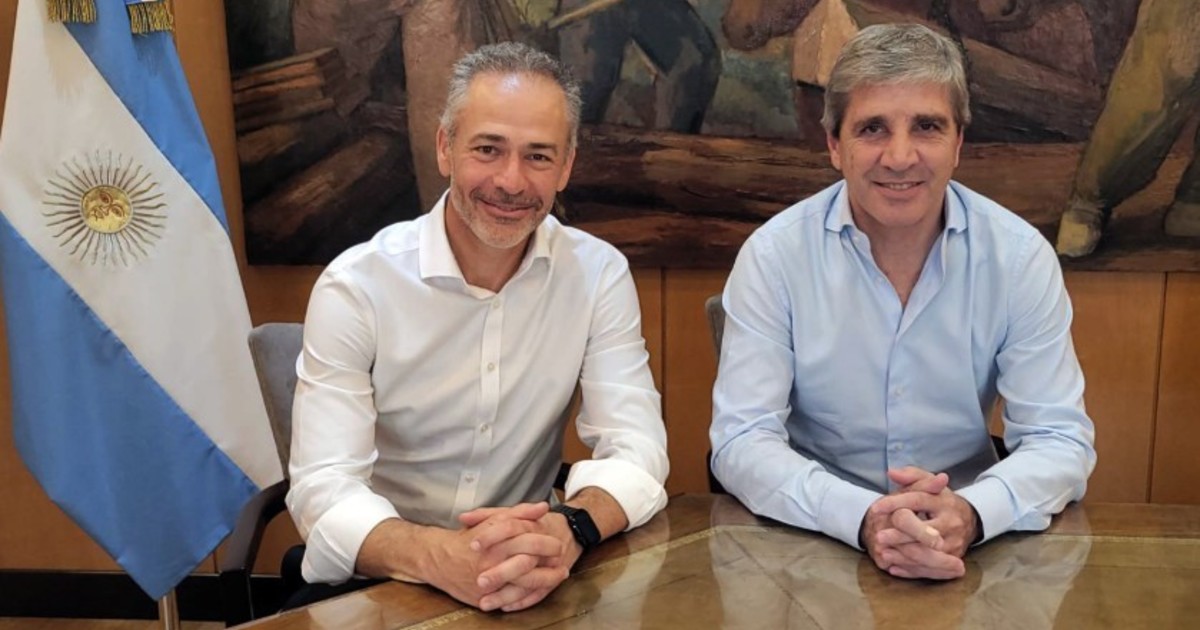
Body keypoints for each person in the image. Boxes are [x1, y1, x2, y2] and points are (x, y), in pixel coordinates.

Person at [286, 41, 669, 613]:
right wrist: (439, 556)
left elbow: (638, 448)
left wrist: (568, 530)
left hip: (533, 566)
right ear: (445, 147)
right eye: (488, 149)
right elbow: (323, 488)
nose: (511, 181)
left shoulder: (597, 275)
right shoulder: (357, 286)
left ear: (566, 166)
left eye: (538, 156)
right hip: (384, 577)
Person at [710, 23, 1096, 581]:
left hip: (971, 547)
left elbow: (1059, 439)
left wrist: (971, 513)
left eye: (927, 126)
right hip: (810, 546)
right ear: (834, 146)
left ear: (958, 144)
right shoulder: (775, 256)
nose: (899, 156)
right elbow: (742, 441)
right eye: (872, 128)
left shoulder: (1018, 257)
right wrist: (861, 517)